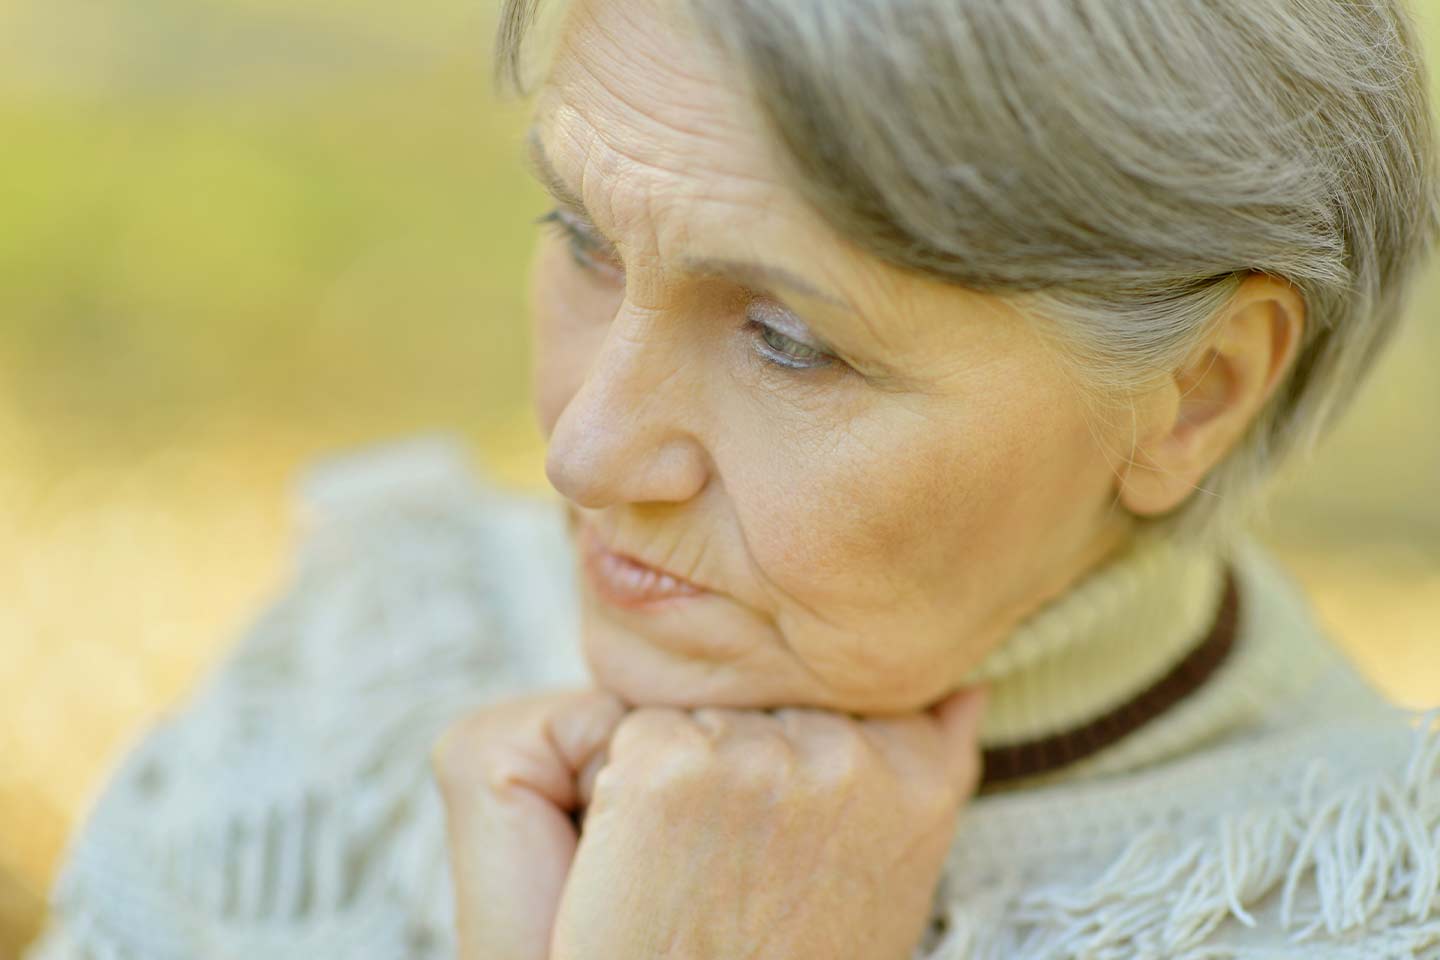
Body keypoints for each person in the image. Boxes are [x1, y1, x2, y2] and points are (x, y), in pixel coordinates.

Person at [27, 0, 1440, 956]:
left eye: (787, 340)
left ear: (1198, 390)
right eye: (581, 238)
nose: (583, 452)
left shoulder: (1354, 912)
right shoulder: (355, 674)